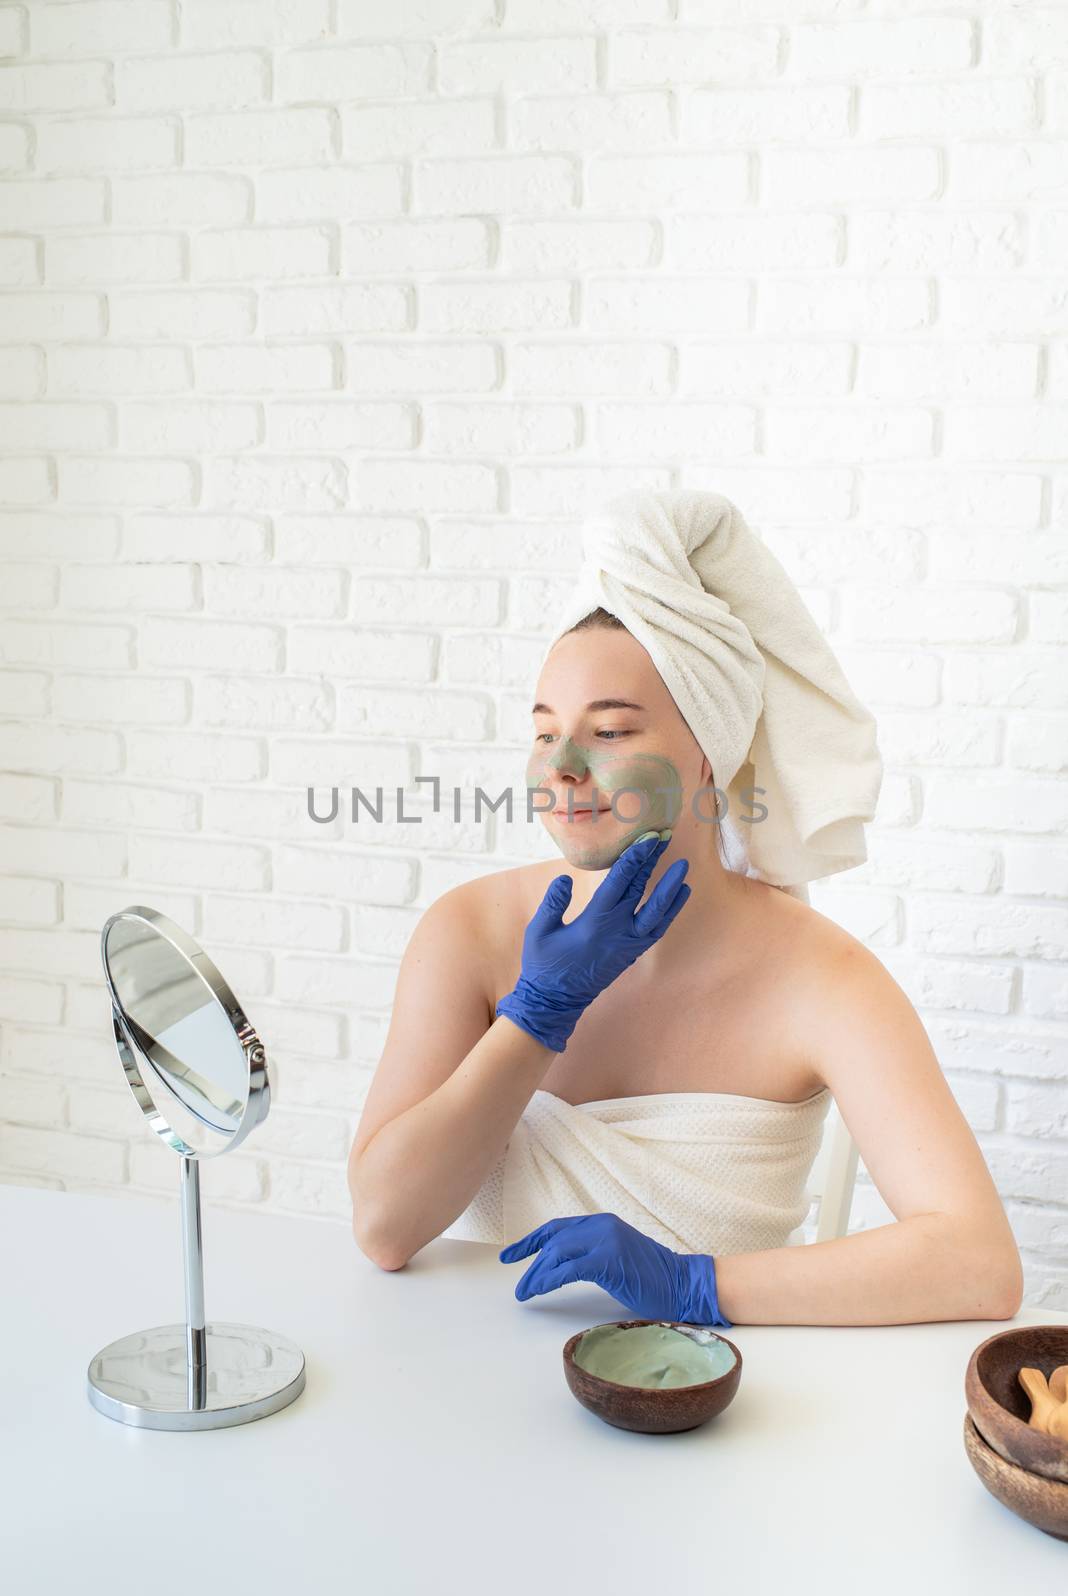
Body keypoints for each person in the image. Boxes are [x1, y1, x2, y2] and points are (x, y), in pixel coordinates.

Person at [348, 496, 1024, 1327]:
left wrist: (695, 1284)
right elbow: (384, 1227)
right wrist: (535, 1014)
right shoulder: (468, 936)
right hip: (483, 1392)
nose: (561, 768)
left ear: (707, 754)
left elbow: (978, 1263)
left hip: (714, 1406)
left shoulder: (823, 980)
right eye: (544, 732)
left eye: (609, 732)